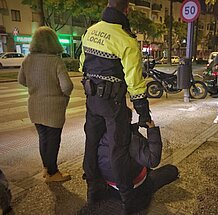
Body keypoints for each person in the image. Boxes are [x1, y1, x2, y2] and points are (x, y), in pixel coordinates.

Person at [79, 0, 152, 209]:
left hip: (92, 100)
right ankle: (128, 198)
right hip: (114, 104)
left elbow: (82, 65)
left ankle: (93, 190)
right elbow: (135, 83)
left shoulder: (90, 31)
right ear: (126, 10)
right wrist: (143, 113)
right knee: (117, 148)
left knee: (91, 143)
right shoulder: (126, 40)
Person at [97, 107, 179, 214]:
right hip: (133, 189)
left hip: (110, 186)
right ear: (128, 120)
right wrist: (152, 130)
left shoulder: (99, 136)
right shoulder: (129, 138)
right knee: (171, 170)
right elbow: (153, 160)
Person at [18, 26, 73, 182]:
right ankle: (53, 173)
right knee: (53, 140)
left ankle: (46, 169)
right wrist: (63, 97)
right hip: (53, 108)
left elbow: (21, 80)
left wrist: (36, 87)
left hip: (35, 106)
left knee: (43, 138)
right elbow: (67, 86)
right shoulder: (56, 61)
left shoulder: (28, 59)